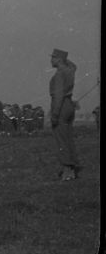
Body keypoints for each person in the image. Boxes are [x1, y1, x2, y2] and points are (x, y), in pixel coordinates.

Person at [49, 48, 80, 181]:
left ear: (59, 60)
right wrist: (65, 58)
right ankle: (71, 168)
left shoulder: (59, 74)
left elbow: (58, 97)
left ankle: (67, 171)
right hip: (69, 105)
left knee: (61, 139)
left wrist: (54, 114)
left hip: (61, 106)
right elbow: (74, 66)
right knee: (68, 138)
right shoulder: (70, 71)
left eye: (53, 57)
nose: (51, 60)